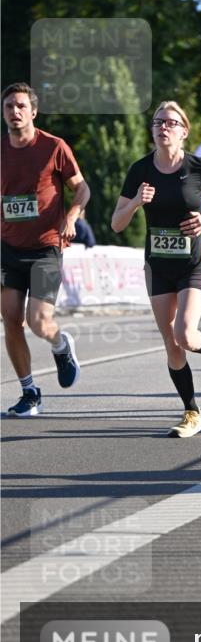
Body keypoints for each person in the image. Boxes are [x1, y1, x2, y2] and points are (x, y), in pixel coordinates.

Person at [111, 100, 201, 438]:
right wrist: (136, 202)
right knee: (171, 344)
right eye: (157, 122)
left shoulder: (197, 167)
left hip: (190, 263)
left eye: (170, 122)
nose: (163, 127)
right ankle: (192, 411)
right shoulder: (139, 170)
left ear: (183, 132)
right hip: (157, 266)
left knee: (186, 334)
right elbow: (116, 223)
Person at [1, 83, 89, 417]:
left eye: (21, 105)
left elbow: (82, 188)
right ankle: (29, 393)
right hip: (8, 247)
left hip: (46, 246)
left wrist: (71, 215)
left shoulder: (54, 146)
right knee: (10, 320)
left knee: (37, 321)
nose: (14, 111)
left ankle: (60, 344)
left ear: (33, 111)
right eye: (9, 106)